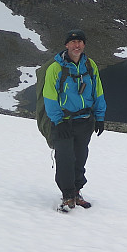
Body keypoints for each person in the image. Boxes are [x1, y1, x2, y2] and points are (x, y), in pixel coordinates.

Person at [42, 28, 106, 212]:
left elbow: (98, 91)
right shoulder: (56, 68)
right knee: (65, 159)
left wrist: (100, 117)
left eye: (80, 42)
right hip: (63, 122)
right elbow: (49, 96)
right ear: (66, 45)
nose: (76, 45)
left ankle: (77, 192)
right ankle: (68, 196)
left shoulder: (90, 66)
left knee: (80, 158)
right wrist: (58, 120)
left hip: (85, 120)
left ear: (84, 45)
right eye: (73, 42)